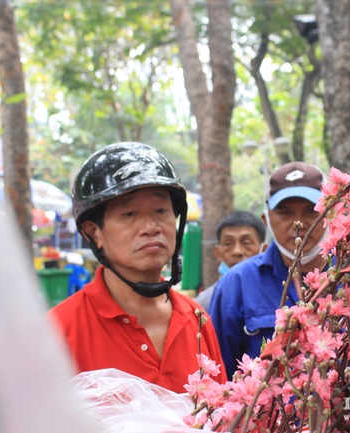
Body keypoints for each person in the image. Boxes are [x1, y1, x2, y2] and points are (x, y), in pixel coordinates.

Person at [47, 142, 227, 393]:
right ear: (93, 233)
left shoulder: (197, 320)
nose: (151, 227)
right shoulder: (58, 330)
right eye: (130, 214)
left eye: (161, 210)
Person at [209, 161, 329, 378]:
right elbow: (218, 378)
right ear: (267, 219)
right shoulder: (236, 285)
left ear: (330, 213)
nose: (298, 223)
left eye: (312, 211)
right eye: (285, 212)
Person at [194, 210, 266, 309]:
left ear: (264, 250)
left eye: (246, 243)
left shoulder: (279, 296)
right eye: (228, 244)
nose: (237, 251)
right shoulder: (203, 304)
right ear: (218, 253)